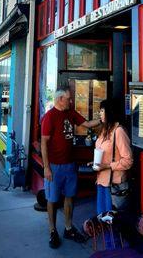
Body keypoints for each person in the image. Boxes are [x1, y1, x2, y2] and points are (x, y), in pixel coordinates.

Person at [41, 87, 101, 249]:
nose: (71, 101)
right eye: (68, 99)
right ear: (60, 99)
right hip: (54, 166)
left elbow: (87, 124)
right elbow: (44, 143)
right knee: (52, 200)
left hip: (70, 165)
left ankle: (68, 228)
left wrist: (103, 119)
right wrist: (46, 167)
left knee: (70, 197)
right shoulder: (49, 117)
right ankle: (53, 231)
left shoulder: (71, 113)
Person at [93, 99, 133, 249]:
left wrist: (107, 166)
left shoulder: (119, 131)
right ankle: (110, 251)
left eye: (102, 111)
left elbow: (128, 161)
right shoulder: (105, 130)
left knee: (113, 225)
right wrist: (97, 164)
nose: (100, 114)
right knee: (103, 221)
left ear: (109, 112)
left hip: (114, 186)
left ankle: (117, 252)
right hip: (102, 183)